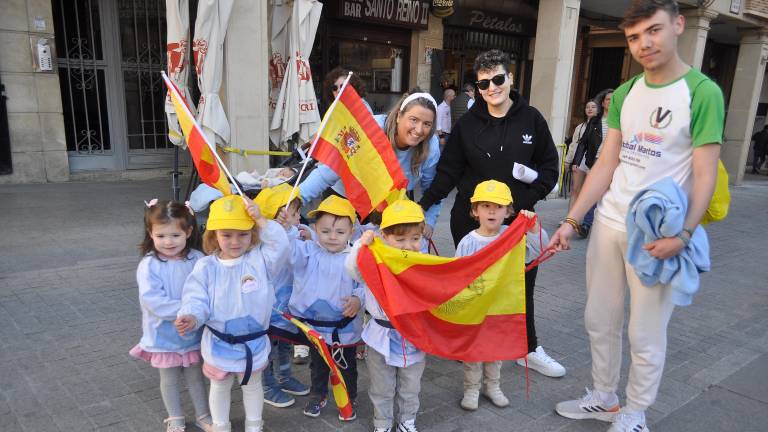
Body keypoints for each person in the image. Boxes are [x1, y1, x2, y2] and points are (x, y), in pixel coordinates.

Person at [549, 2, 724, 432]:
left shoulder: (702, 92)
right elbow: (607, 163)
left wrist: (684, 234)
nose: (644, 43)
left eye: (654, 31)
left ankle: (635, 412)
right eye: (633, 36)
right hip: (609, 223)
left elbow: (705, 176)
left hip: (655, 232)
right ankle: (605, 396)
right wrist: (571, 221)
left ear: (678, 25)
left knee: (644, 332)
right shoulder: (625, 93)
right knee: (599, 318)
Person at [418, 49, 563, 378]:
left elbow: (550, 168)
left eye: (498, 79)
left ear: (510, 78)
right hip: (470, 221)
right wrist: (423, 205)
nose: (492, 88)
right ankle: (469, 343)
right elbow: (448, 172)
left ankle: (527, 348)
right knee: (473, 286)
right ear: (478, 87)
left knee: (521, 284)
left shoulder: (532, 120)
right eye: (484, 83)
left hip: (516, 223)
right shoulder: (468, 124)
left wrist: (525, 200)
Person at [176, 195, 289, 432]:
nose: (235, 242)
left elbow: (280, 245)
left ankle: (254, 426)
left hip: (254, 342)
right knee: (219, 385)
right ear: (214, 235)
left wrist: (261, 219)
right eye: (227, 235)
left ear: (253, 234)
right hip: (219, 343)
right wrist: (192, 316)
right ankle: (221, 426)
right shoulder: (206, 267)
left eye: (243, 234)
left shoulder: (260, 260)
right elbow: (196, 298)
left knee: (252, 385)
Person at [298, 88, 442, 239]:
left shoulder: (430, 145)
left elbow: (432, 188)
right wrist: (296, 199)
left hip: (388, 206)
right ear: (399, 115)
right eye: (414, 120)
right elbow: (328, 171)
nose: (419, 130)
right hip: (346, 198)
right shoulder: (370, 129)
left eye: (427, 124)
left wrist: (430, 222)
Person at [455, 180, 548, 411]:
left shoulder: (512, 237)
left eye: (498, 206)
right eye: (485, 205)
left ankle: (493, 386)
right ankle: (472, 389)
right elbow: (456, 275)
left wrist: (534, 228)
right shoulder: (467, 242)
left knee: (495, 351)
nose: (492, 210)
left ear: (508, 211)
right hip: (475, 308)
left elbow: (539, 250)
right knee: (473, 353)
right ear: (475, 211)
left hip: (500, 308)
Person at [129, 200, 213, 432]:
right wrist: (183, 311)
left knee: (196, 375)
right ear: (151, 233)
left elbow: (208, 292)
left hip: (193, 329)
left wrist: (194, 314)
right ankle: (174, 416)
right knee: (169, 378)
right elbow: (152, 300)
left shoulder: (198, 259)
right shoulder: (149, 265)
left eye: (175, 235)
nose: (168, 242)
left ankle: (203, 415)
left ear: (188, 231)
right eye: (161, 235)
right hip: (164, 332)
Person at [345, 199, 429, 432]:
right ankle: (381, 423)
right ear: (384, 236)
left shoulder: (424, 263)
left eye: (415, 238)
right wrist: (361, 246)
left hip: (413, 335)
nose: (408, 245)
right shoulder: (374, 261)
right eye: (399, 239)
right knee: (381, 386)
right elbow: (353, 269)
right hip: (380, 336)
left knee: (410, 385)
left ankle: (407, 420)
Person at [286, 195, 364, 420]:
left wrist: (358, 300)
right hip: (316, 328)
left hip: (344, 326)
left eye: (340, 232)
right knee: (318, 365)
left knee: (346, 365)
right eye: (325, 231)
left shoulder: (356, 258)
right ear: (315, 229)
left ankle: (349, 396)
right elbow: (290, 254)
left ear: (351, 232)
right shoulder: (309, 251)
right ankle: (317, 395)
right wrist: (288, 230)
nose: (332, 237)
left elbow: (366, 284)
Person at [252, 184, 310, 408]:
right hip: (269, 308)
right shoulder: (263, 242)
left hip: (286, 305)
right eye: (293, 214)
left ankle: (285, 377)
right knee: (269, 347)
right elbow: (281, 248)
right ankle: (267, 385)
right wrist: (284, 231)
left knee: (285, 343)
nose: (297, 218)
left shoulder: (293, 233)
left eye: (296, 213)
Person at [571, 89, 614, 236]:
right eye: (608, 99)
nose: (610, 102)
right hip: (595, 162)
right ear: (603, 102)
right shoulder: (595, 121)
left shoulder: (620, 121)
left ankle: (601, 226)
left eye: (613, 99)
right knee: (593, 193)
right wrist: (576, 161)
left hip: (613, 163)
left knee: (607, 196)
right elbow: (583, 143)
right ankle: (587, 225)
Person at [564, 100, 599, 210]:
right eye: (587, 107)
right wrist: (568, 161)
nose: (590, 109)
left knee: (589, 192)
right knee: (575, 189)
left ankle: (582, 220)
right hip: (579, 161)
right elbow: (573, 145)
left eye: (593, 107)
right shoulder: (580, 127)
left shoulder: (602, 126)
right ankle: (569, 220)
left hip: (594, 162)